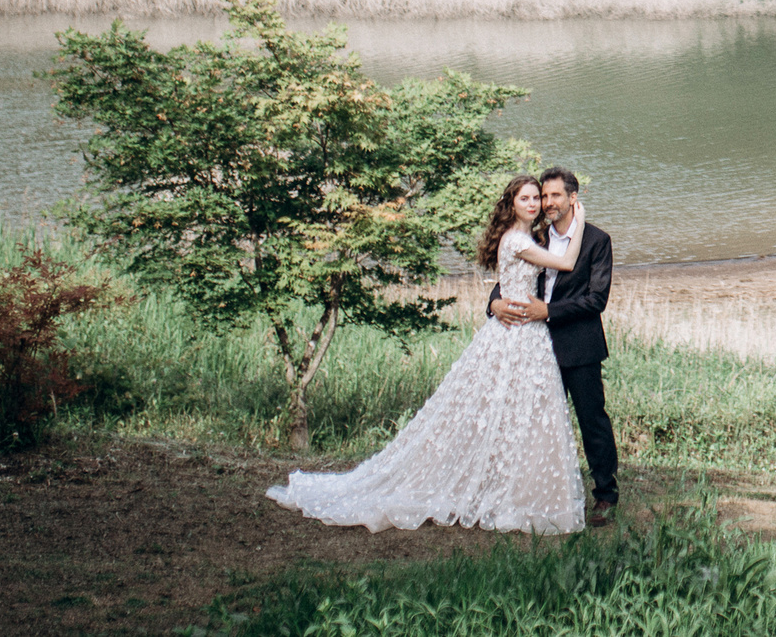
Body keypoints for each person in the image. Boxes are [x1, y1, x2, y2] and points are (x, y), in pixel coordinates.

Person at [265, 175, 585, 533]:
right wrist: (580, 218)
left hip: (528, 333)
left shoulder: (527, 238)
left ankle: (513, 487)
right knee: (499, 408)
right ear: (511, 203)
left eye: (536, 198)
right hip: (515, 334)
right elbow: (568, 262)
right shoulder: (515, 239)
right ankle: (497, 488)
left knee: (520, 411)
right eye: (525, 198)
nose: (533, 204)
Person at [487, 165, 618, 524]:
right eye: (543, 196)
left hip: (577, 344)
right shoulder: (535, 237)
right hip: (531, 346)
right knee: (533, 422)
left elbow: (596, 300)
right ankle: (536, 490)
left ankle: (605, 495)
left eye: (555, 195)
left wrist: (548, 311)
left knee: (591, 418)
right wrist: (494, 304)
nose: (547, 203)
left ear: (573, 198)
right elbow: (510, 277)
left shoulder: (596, 241)